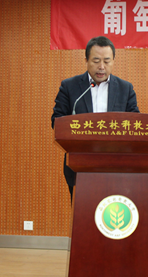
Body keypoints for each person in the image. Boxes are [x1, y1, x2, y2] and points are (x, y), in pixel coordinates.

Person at [51, 36, 140, 199]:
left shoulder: (125, 89)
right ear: (86, 60)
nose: (101, 67)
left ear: (113, 61)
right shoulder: (69, 87)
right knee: (82, 211)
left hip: (116, 165)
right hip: (79, 165)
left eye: (107, 61)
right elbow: (57, 121)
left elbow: (135, 124)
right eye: (96, 60)